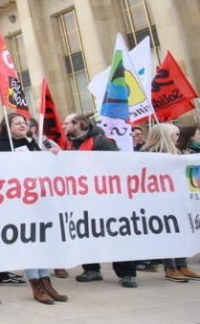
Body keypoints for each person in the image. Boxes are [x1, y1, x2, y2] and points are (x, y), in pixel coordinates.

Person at [0, 114, 68, 305]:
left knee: (42, 241)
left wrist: (52, 154)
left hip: (38, 201)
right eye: (17, 123)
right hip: (18, 203)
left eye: (24, 123)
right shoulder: (0, 148)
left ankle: (46, 281)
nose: (23, 125)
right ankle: (36, 284)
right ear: (7, 127)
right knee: (30, 243)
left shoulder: (32, 144)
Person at [62, 113, 138, 287]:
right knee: (85, 233)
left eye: (67, 123)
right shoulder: (69, 143)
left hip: (105, 197)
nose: (64, 126)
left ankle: (127, 273)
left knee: (116, 233)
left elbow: (117, 166)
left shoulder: (101, 141)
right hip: (82, 197)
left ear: (79, 124)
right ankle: (91, 269)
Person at [140, 124, 200, 283]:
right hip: (159, 201)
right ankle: (169, 267)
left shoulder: (177, 152)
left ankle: (182, 265)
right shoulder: (148, 154)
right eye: (175, 134)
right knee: (167, 234)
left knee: (182, 232)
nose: (177, 138)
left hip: (178, 199)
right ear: (165, 135)